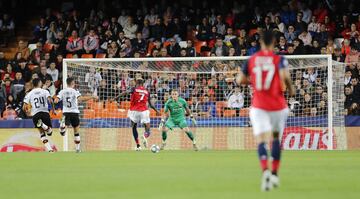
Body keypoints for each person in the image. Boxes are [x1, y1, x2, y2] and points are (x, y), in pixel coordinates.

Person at [235, 30, 295, 191]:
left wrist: (252, 80)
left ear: (260, 42)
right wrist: (291, 90)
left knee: (261, 141)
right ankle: (274, 173)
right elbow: (285, 77)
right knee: (275, 139)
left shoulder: (252, 60)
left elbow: (239, 80)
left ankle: (265, 171)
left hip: (259, 106)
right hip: (278, 106)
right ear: (274, 42)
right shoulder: (279, 59)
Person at [54, 77, 96, 153]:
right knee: (76, 131)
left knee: (63, 132)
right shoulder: (75, 91)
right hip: (74, 112)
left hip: (66, 112)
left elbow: (56, 100)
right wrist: (92, 97)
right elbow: (80, 99)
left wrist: (56, 103)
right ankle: (77, 149)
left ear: (67, 83)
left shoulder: (62, 91)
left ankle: (62, 127)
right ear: (73, 83)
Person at [22, 78, 56, 152]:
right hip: (45, 113)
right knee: (49, 132)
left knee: (42, 133)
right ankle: (44, 126)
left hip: (35, 114)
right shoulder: (45, 91)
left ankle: (50, 149)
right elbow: (50, 100)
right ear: (40, 83)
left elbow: (24, 107)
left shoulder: (29, 93)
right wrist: (53, 110)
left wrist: (27, 112)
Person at [125, 78, 159, 150]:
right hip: (144, 111)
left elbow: (124, 93)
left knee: (134, 127)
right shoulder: (147, 91)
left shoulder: (134, 89)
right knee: (147, 128)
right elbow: (150, 104)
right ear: (143, 84)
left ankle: (138, 145)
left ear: (136, 83)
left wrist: (114, 98)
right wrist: (156, 110)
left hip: (134, 111)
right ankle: (145, 135)